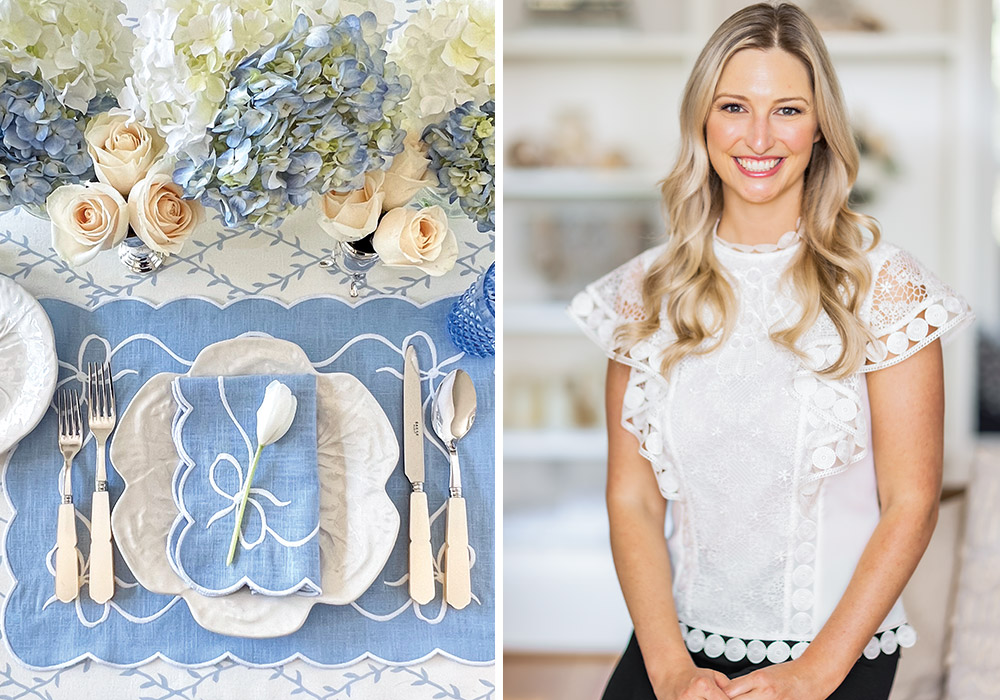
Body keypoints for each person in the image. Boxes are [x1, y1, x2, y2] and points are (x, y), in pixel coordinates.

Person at [568, 3, 975, 699]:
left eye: (787, 109)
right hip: (675, 651)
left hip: (837, 656)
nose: (759, 136)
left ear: (820, 128)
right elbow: (632, 498)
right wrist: (668, 669)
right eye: (734, 106)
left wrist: (816, 672)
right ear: (703, 119)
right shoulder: (646, 290)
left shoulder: (887, 287)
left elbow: (911, 500)